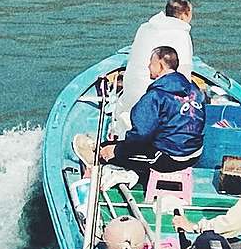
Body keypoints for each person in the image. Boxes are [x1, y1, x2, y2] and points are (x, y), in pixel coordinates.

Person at [74, 44, 205, 187]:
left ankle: (101, 161)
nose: (148, 66)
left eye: (151, 62)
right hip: (195, 154)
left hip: (170, 158)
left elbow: (140, 135)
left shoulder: (155, 96)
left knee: (107, 150)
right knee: (124, 146)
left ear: (160, 65)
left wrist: (116, 151)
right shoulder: (194, 90)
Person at [118, 0, 194, 113]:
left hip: (129, 99)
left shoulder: (144, 27)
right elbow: (184, 77)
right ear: (186, 14)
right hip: (152, 103)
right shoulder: (182, 35)